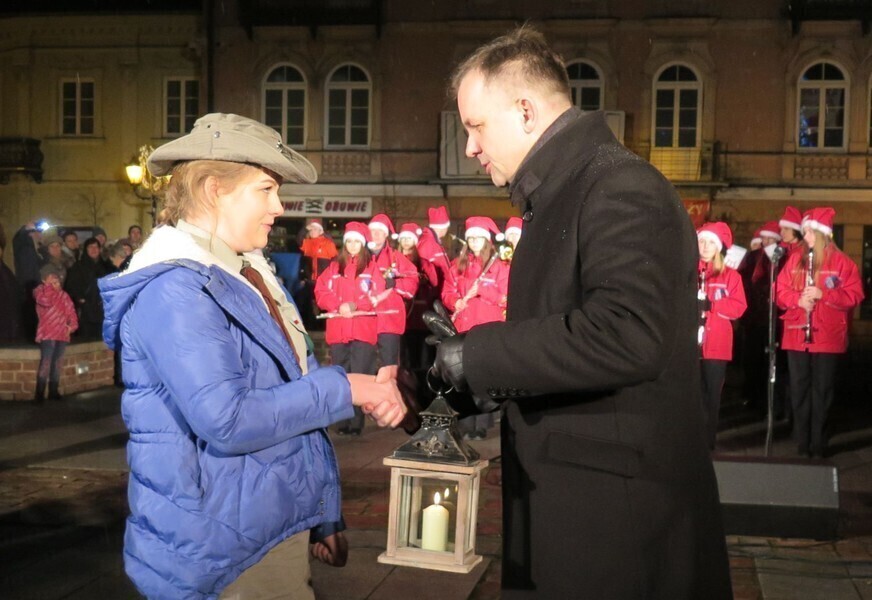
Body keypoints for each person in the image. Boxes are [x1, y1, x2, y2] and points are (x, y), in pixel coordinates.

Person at [426, 26, 732, 598]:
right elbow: (561, 339)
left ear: (524, 111)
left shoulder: (618, 185)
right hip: (583, 505)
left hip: (618, 523)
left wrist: (482, 353)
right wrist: (461, 372)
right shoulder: (565, 192)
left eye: (475, 126)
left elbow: (628, 333)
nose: (469, 147)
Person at [98, 113, 406, 599]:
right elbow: (229, 418)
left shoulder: (243, 272)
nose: (279, 206)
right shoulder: (178, 288)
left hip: (262, 525)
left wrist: (320, 513)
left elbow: (285, 395)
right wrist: (348, 386)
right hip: (221, 549)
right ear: (214, 189)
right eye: (265, 189)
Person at [776, 207, 864, 458]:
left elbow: (854, 295)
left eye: (810, 232)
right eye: (804, 232)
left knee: (822, 391)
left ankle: (819, 442)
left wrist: (824, 295)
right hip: (796, 333)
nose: (806, 237)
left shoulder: (843, 262)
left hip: (826, 336)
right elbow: (780, 291)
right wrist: (797, 300)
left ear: (823, 234)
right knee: (799, 388)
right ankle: (802, 442)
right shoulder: (795, 259)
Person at [314, 221, 387, 436]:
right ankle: (342, 421)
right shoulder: (334, 267)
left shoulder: (372, 268)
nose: (353, 245)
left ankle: (357, 423)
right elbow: (320, 291)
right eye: (350, 241)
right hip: (339, 330)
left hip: (363, 330)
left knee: (360, 375)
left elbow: (377, 294)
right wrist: (337, 305)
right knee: (341, 376)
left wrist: (355, 305)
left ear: (363, 244)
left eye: (357, 241)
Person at [441, 216, 509, 440]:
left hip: (488, 330)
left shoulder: (499, 267)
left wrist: (483, 291)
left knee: (483, 377)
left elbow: (504, 298)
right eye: (471, 239)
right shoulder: (459, 264)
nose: (474, 243)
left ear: (487, 240)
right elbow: (447, 291)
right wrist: (454, 301)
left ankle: (481, 425)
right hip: (463, 328)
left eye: (479, 238)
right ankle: (465, 424)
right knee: (463, 378)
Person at [697, 222, 747, 449]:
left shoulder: (730, 276)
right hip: (690, 346)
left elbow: (739, 307)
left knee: (711, 395)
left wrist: (713, 304)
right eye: (702, 241)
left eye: (710, 243)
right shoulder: (689, 271)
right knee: (691, 395)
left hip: (716, 346)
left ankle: (707, 441)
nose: (705, 247)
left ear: (718, 247)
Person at [739, 221, 783, 412]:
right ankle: (752, 397)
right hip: (753, 318)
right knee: (751, 360)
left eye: (770, 238)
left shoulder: (777, 258)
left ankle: (767, 401)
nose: (766, 241)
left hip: (770, 318)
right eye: (764, 238)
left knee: (768, 363)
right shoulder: (753, 258)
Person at [367, 214, 418, 367]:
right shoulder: (359, 257)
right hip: (363, 320)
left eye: (379, 231)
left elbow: (412, 282)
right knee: (362, 369)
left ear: (386, 234)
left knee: (389, 368)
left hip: (388, 321)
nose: (375, 234)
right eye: (372, 231)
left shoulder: (396, 258)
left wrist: (395, 284)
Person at [397, 222, 439, 371]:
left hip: (421, 313)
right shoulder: (394, 260)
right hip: (402, 313)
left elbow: (434, 283)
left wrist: (423, 279)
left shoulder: (423, 262)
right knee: (405, 355)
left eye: (410, 238)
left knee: (423, 356)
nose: (406, 241)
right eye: (403, 238)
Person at [33, 263, 78, 401]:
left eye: (57, 281)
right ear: (44, 280)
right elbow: (45, 301)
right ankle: (39, 394)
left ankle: (54, 390)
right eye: (51, 281)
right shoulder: (39, 292)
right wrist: (48, 287)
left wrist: (71, 326)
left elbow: (72, 313)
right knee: (46, 362)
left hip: (62, 334)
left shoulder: (64, 296)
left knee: (57, 363)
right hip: (47, 334)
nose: (55, 284)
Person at [64, 237, 108, 340]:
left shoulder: (105, 266)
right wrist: (80, 298)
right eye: (90, 247)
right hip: (85, 311)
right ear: (85, 249)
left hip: (103, 309)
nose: (94, 249)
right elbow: (71, 286)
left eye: (96, 247)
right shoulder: (78, 267)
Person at [298, 218, 338, 329]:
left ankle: (324, 327)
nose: (312, 232)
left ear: (320, 231)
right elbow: (299, 240)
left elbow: (335, 261)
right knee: (309, 304)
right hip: (311, 280)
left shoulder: (328, 244)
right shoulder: (307, 243)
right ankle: (311, 326)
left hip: (324, 281)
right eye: (311, 230)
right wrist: (305, 229)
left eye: (315, 229)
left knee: (323, 303)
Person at [12, 221, 43, 339]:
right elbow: (18, 241)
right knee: (30, 322)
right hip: (29, 291)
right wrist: (25, 230)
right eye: (34, 232)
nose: (37, 234)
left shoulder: (36, 250)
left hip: (34, 291)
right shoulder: (25, 248)